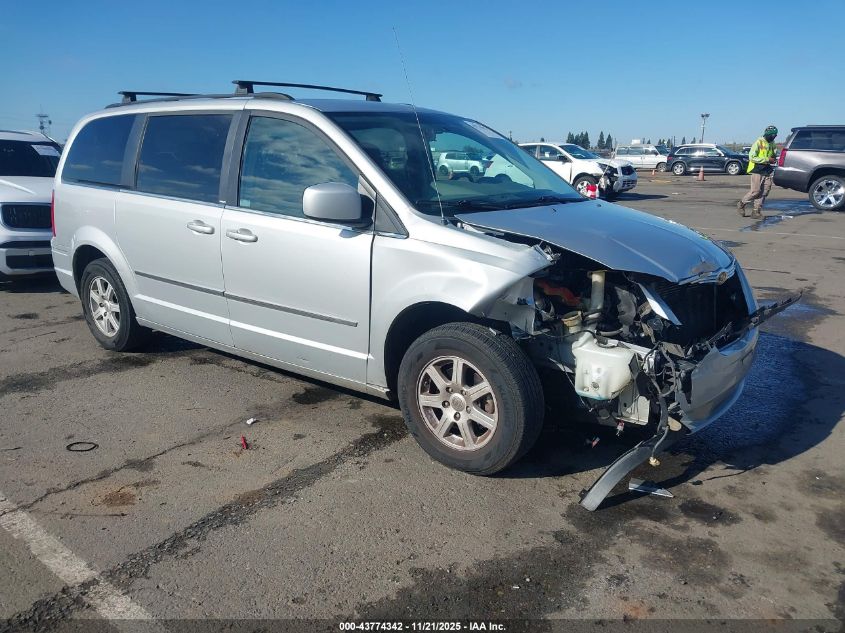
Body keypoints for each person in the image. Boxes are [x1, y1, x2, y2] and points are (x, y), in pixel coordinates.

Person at [737, 125, 778, 219]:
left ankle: (756, 211)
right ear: (768, 134)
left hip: (766, 169)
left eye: (775, 135)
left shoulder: (772, 143)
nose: (774, 137)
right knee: (756, 191)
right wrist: (767, 159)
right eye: (773, 135)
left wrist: (773, 158)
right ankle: (741, 203)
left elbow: (773, 153)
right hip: (757, 169)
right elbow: (752, 157)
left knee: (765, 191)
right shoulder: (758, 142)